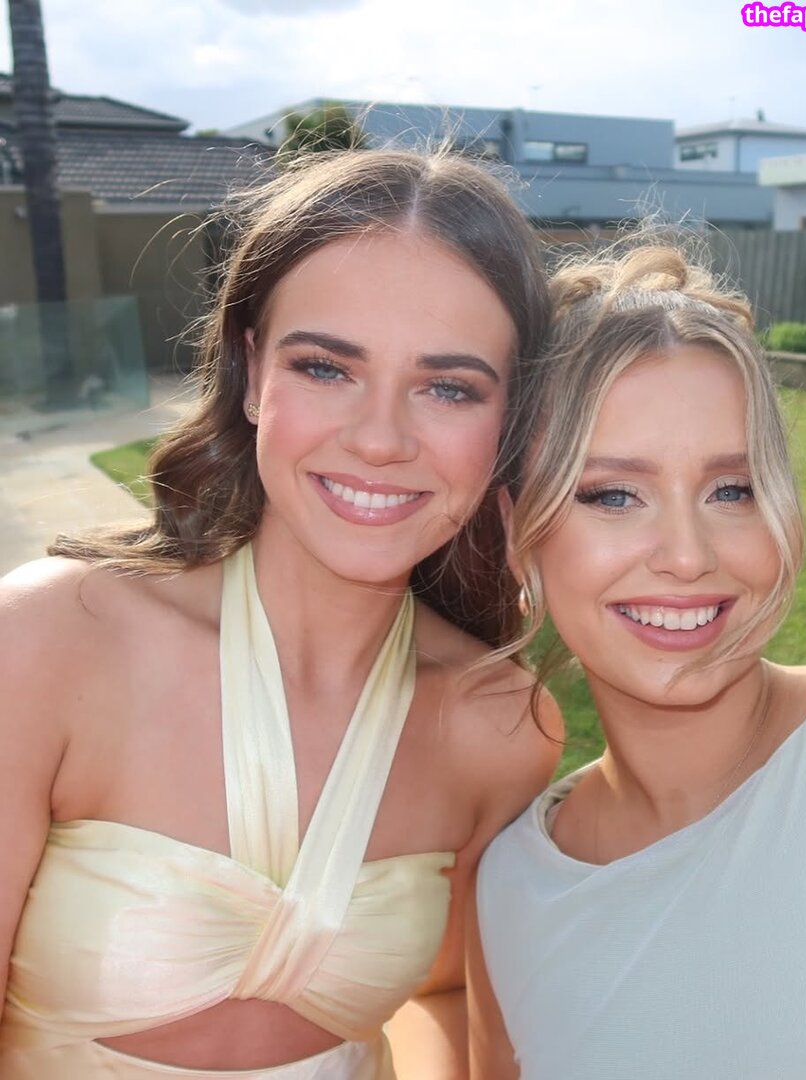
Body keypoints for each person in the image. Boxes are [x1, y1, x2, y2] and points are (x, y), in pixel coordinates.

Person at [0, 149, 562, 1079]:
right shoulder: (48, 645)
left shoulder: (501, 724)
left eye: (448, 387)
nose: (379, 439)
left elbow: (450, 999)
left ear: (510, 421)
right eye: (326, 368)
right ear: (253, 372)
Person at [469, 241, 806, 1080]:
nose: (688, 556)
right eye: (613, 494)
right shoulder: (511, 891)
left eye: (732, 490)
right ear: (517, 534)